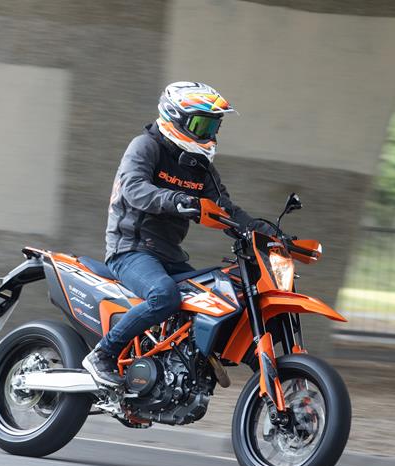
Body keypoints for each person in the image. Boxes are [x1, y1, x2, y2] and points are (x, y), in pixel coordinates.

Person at [82, 81, 270, 386]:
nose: (209, 134)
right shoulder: (146, 146)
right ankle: (103, 354)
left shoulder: (200, 167)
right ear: (175, 117)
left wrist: (269, 235)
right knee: (164, 296)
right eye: (202, 124)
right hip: (130, 249)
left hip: (169, 255)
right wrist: (176, 199)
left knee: (220, 297)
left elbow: (227, 211)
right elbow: (133, 188)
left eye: (214, 126)